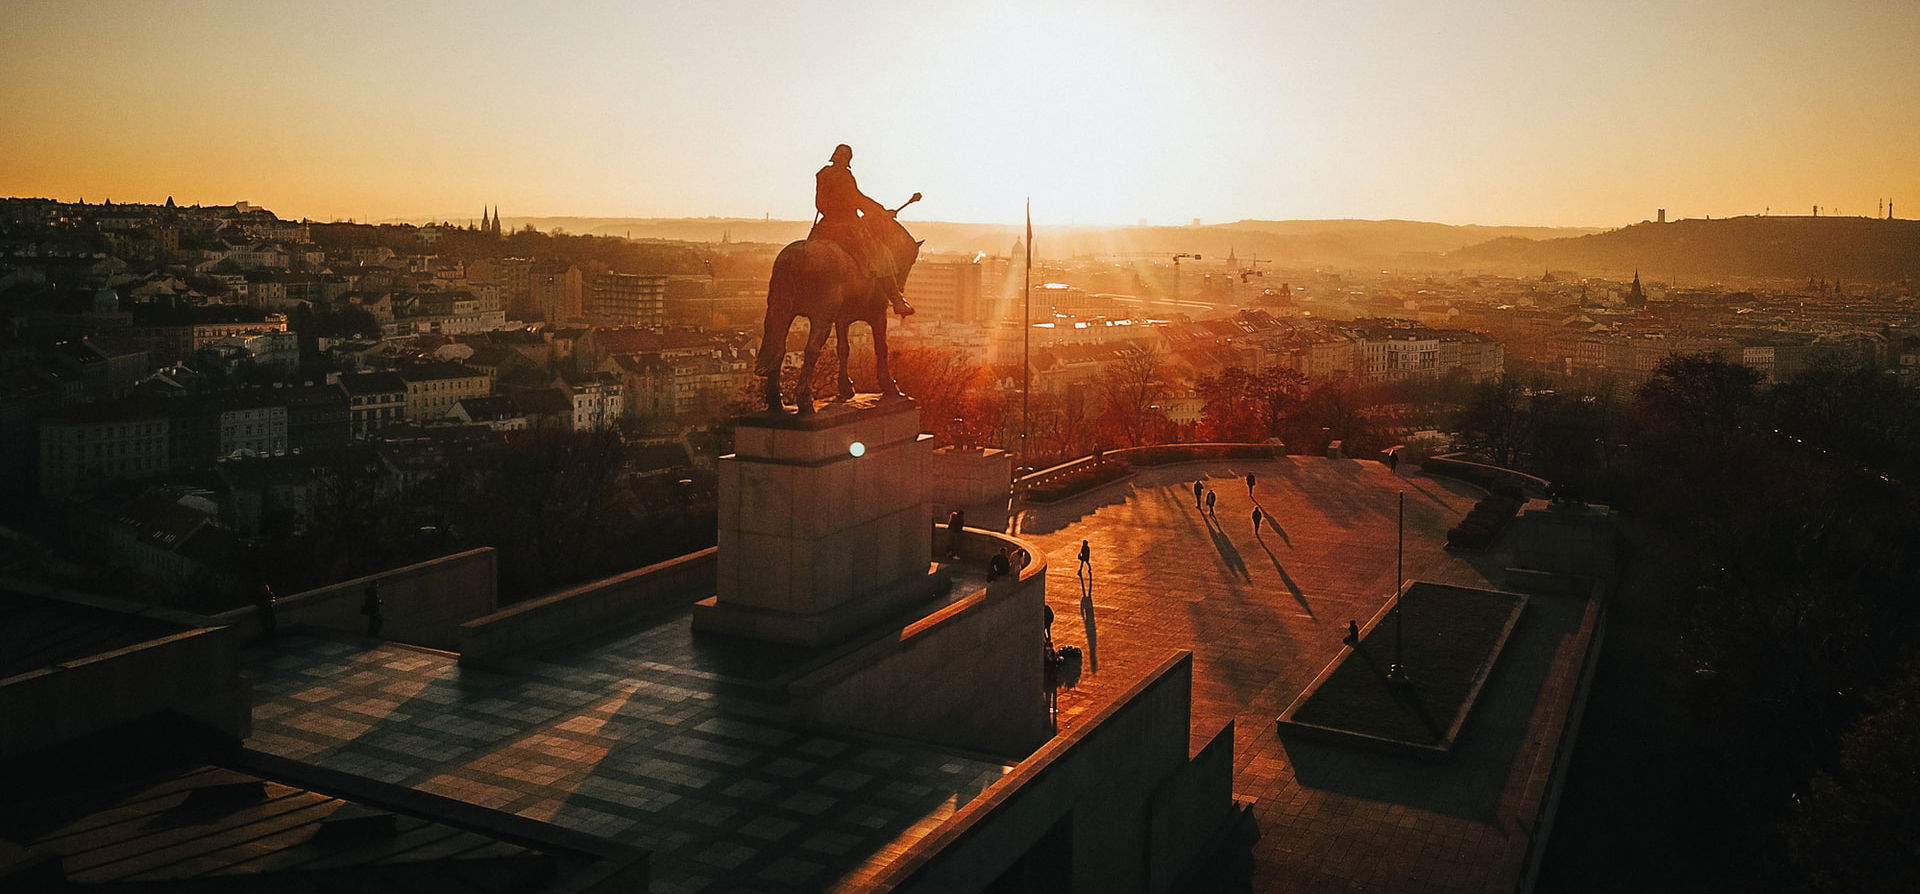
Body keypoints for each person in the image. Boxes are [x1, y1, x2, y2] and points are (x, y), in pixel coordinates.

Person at [812, 144, 914, 317]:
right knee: (883, 255)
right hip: (846, 224)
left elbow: (820, 202)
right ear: (847, 159)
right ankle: (897, 300)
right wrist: (880, 211)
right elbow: (856, 198)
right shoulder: (844, 175)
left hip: (825, 225)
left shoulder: (822, 174)